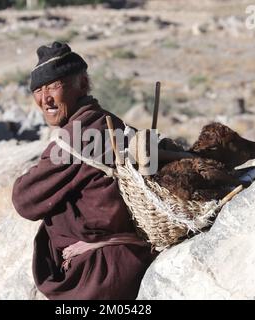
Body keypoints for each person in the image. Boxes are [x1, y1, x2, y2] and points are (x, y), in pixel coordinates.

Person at [12, 41, 157, 300]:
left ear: (82, 83)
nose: (45, 98)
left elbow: (25, 200)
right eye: (38, 89)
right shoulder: (109, 122)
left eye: (54, 86)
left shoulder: (78, 137)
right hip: (123, 265)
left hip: (98, 275)